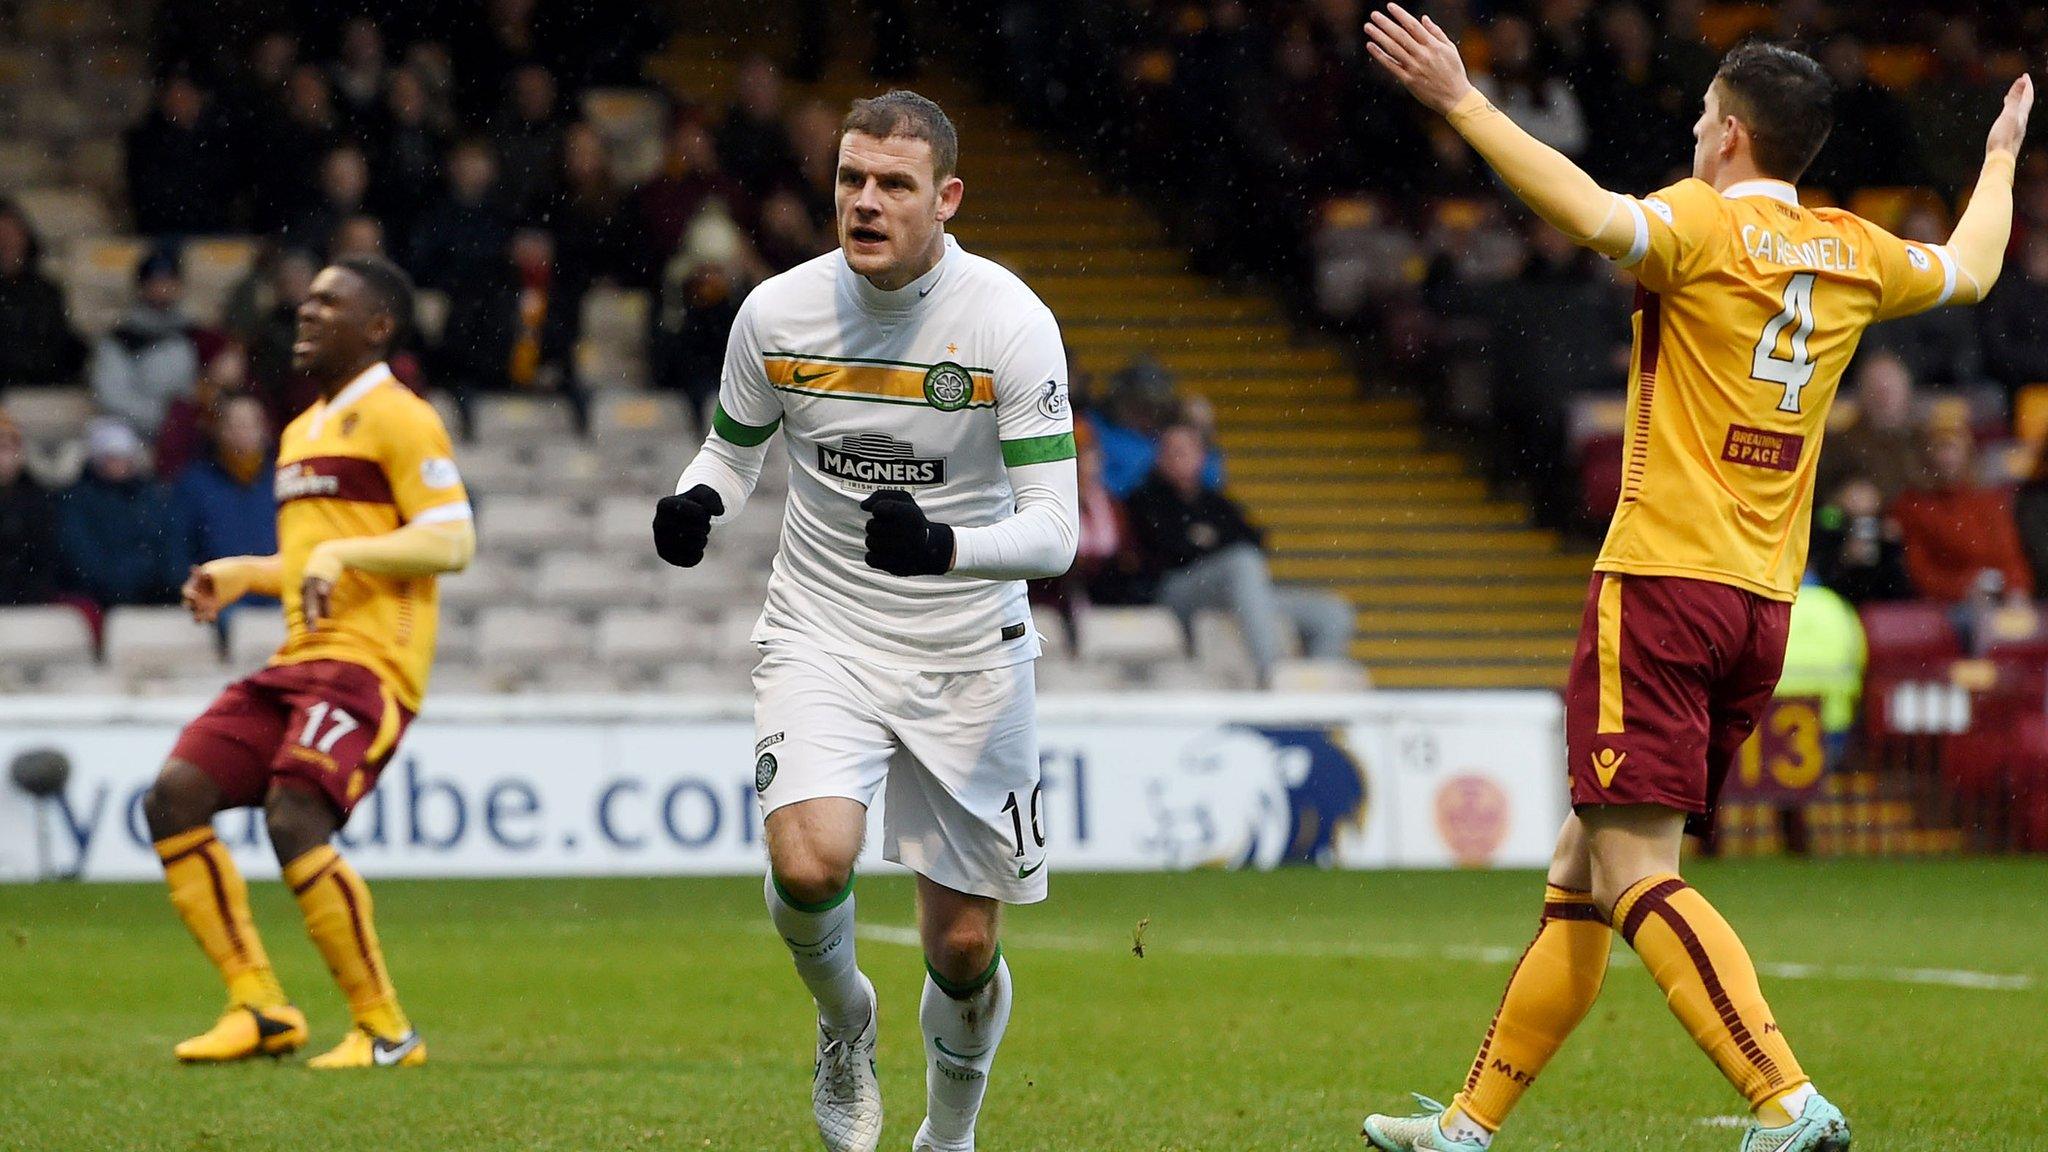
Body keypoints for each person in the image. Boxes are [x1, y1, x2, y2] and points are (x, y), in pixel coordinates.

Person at [1360, 9, 2027, 1151]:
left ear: (1726, 132)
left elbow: (1584, 213)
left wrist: (1460, 102)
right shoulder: (1852, 249)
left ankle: (1784, 1098)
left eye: (1699, 112)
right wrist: (2001, 155)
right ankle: (1469, 1125)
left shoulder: (1699, 222)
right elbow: (1969, 267)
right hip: (1760, 606)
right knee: (1580, 865)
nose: (1688, 123)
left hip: (1660, 586)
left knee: (1628, 869)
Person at [652, 91, 1076, 1152]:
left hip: (969, 651)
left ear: (946, 198)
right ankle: (845, 1021)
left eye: (893, 184)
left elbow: (1055, 532)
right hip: (822, 630)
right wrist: (698, 498)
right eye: (850, 180)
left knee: (964, 946)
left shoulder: (1007, 323)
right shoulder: (778, 312)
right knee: (807, 863)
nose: (866, 202)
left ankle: (948, 1137)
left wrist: (942, 547)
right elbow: (733, 452)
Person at [139, 254, 474, 1069]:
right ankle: (257, 1005)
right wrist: (245, 574)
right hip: (298, 658)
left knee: (295, 816)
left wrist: (343, 557)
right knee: (174, 796)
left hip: (370, 663)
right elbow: (311, 561)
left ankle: (387, 1031)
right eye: (307, 302)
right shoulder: (299, 431)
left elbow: (453, 539)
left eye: (330, 304)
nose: (308, 314)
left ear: (378, 327)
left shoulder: (402, 416)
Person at [1124, 423, 1354, 686]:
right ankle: (1272, 673)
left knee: (1332, 613)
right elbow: (1169, 549)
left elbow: (1256, 539)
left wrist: (1205, 541)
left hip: (1230, 593)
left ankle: (1313, 698)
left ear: (1201, 456)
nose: (1178, 458)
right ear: (1159, 456)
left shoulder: (1214, 501)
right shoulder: (1145, 499)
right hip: (1175, 591)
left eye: (1185, 451)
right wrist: (1211, 544)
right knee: (1242, 564)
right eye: (1171, 451)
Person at [1891, 421, 2033, 605]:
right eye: (1940, 449)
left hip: (1998, 597)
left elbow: (2010, 557)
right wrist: (1963, 588)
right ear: (1927, 457)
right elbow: (1920, 572)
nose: (1947, 458)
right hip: (1946, 604)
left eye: (1953, 449)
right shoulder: (1912, 506)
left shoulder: (1988, 500)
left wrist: (2016, 589)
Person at [57, 418, 189, 608]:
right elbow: (83, 558)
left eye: (124, 456)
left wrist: (166, 583)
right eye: (112, 457)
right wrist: (121, 584)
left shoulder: (153, 497)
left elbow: (170, 550)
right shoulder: (76, 501)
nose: (119, 463)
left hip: (154, 596)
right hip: (101, 598)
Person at [91, 247, 202, 438]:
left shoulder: (194, 333)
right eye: (156, 281)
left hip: (184, 432)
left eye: (169, 280)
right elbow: (111, 396)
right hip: (132, 432)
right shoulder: (122, 337)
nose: (163, 288)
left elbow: (204, 388)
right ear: (141, 287)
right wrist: (165, 419)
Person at [171, 393, 278, 590]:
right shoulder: (195, 485)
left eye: (250, 424)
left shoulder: (283, 480)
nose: (243, 432)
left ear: (265, 430)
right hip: (219, 606)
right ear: (220, 430)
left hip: (276, 604)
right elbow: (178, 550)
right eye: (235, 424)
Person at [0, 199, 85, 389]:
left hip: (43, 383)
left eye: (12, 234)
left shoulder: (46, 290)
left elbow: (57, 344)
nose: (6, 241)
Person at [0, 413, 62, 606]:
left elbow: (45, 563)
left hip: (27, 603)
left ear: (19, 453)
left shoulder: (38, 500)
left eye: (4, 449)